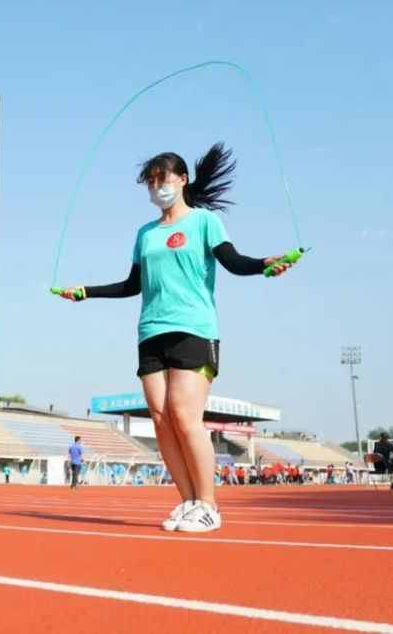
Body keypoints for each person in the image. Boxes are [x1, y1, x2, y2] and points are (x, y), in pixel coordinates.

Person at [59, 144, 293, 531]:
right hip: (151, 331)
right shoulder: (145, 233)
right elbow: (132, 285)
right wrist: (86, 291)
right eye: (150, 183)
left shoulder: (204, 222)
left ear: (182, 180)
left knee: (185, 415)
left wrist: (264, 265)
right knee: (161, 419)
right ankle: (188, 502)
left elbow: (234, 262)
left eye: (162, 179)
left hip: (194, 328)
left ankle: (209, 505)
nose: (156, 188)